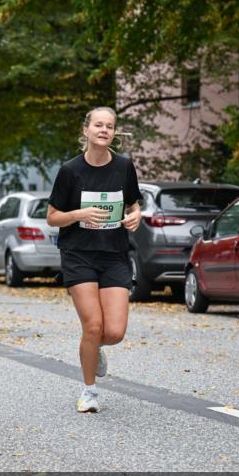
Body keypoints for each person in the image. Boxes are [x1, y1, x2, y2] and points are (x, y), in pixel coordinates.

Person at [47, 106, 142, 414]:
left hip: (114, 255)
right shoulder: (70, 170)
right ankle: (89, 392)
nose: (104, 130)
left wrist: (135, 216)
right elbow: (52, 218)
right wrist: (79, 214)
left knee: (113, 332)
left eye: (110, 126)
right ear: (86, 131)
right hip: (78, 255)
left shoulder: (124, 167)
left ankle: (96, 348)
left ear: (114, 133)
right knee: (93, 325)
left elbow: (133, 204)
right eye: (98, 125)